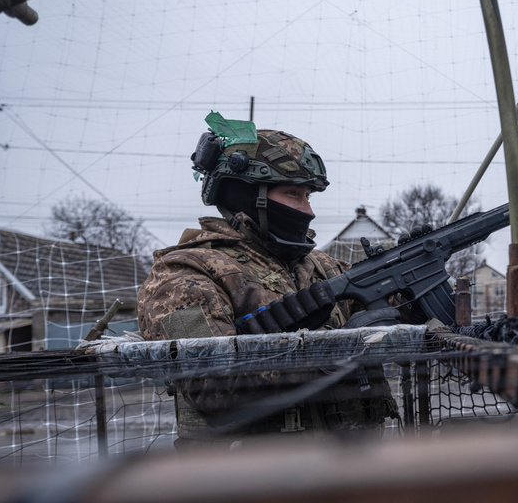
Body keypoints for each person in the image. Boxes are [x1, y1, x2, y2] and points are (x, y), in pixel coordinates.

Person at [137, 113, 396, 444]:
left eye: (309, 196)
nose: (308, 210)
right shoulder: (183, 275)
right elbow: (214, 389)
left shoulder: (321, 266)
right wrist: (330, 350)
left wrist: (415, 282)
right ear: (247, 196)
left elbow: (389, 308)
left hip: (358, 466)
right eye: (293, 194)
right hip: (252, 473)